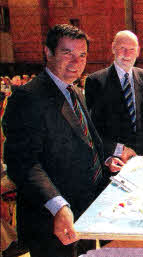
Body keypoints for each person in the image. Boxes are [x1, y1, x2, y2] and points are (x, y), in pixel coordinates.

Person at [2, 24, 123, 257]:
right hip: (53, 218)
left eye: (82, 55)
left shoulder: (74, 90)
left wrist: (107, 157)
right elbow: (22, 162)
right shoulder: (28, 97)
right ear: (48, 53)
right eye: (67, 53)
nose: (76, 62)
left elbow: (87, 137)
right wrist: (57, 205)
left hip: (84, 207)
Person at [85, 30, 143, 160]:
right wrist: (115, 150)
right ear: (113, 48)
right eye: (122, 48)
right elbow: (92, 127)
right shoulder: (96, 81)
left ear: (138, 52)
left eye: (132, 49)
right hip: (115, 159)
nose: (127, 54)